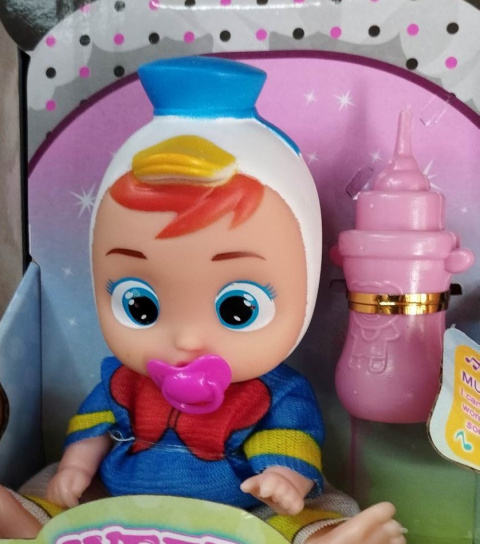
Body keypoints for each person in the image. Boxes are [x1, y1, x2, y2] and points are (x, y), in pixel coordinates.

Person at [0, 58, 406, 544]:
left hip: (243, 511)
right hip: (122, 505)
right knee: (53, 490)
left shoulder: (276, 393)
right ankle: (28, 524)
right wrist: (74, 466)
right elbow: (95, 429)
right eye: (140, 306)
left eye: (238, 310)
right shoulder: (123, 380)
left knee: (310, 513)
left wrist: (284, 481)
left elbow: (291, 442)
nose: (187, 338)